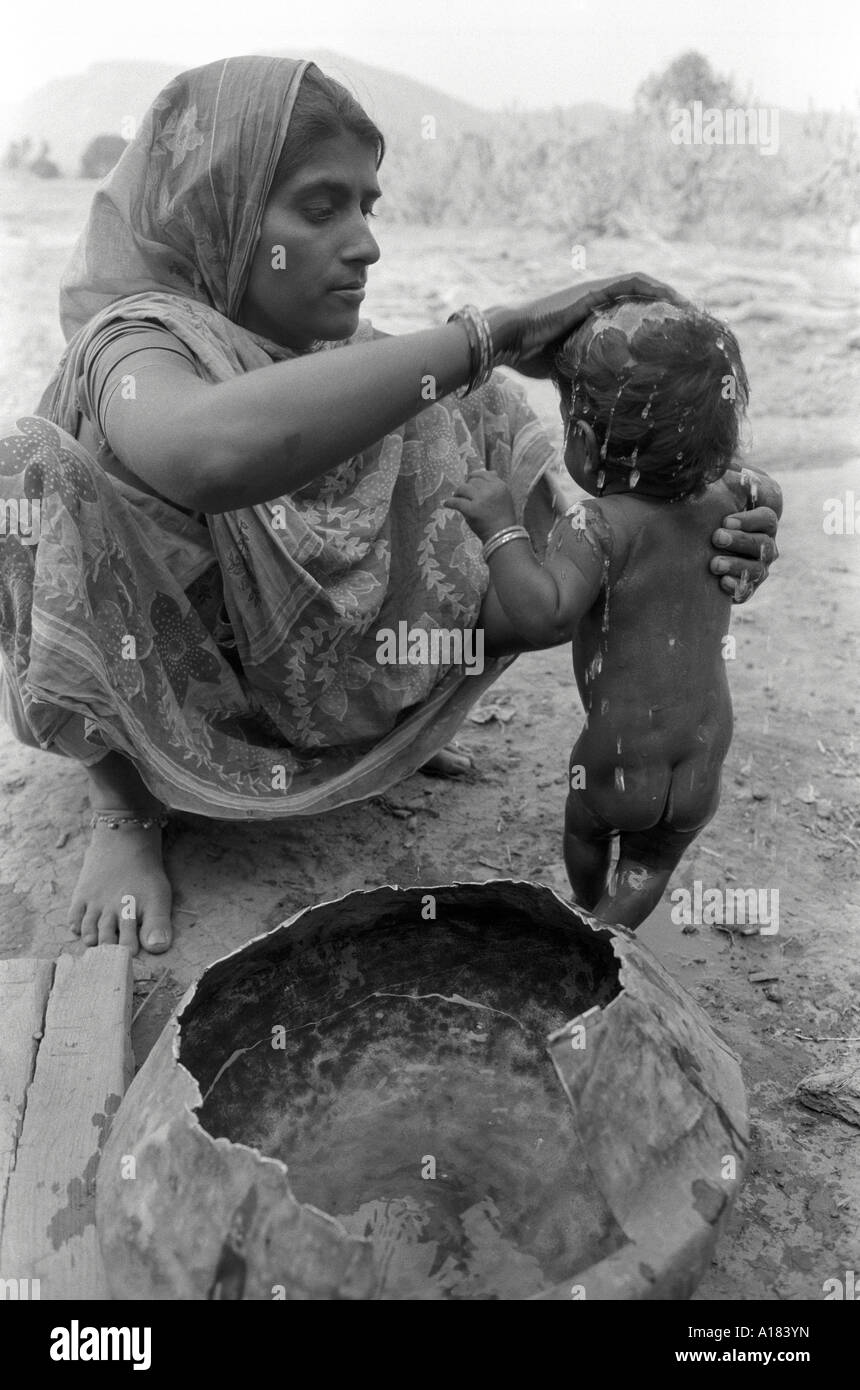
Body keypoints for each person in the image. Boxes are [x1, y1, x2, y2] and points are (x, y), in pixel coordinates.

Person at [0, 56, 781, 955]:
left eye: (368, 206)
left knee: (467, 397)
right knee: (27, 467)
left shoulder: (372, 375)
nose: (365, 241)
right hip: (191, 696)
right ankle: (125, 810)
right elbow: (208, 455)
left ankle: (382, 722)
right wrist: (491, 334)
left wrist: (693, 533)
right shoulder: (131, 340)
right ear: (214, 209)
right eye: (321, 208)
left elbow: (564, 565)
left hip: (317, 697)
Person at [447, 298, 781, 928]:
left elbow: (546, 615)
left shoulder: (599, 524)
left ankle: (589, 920)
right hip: (707, 748)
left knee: (586, 826)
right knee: (650, 865)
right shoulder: (732, 500)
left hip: (619, 757)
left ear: (586, 441)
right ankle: (616, 924)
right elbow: (767, 486)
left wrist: (501, 530)